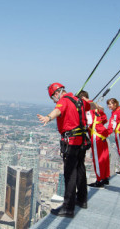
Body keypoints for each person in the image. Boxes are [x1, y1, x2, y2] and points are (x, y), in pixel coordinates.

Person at [37, 83, 95, 217]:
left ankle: (68, 208)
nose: (53, 100)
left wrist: (48, 117)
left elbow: (57, 111)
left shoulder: (63, 101)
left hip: (71, 142)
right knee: (80, 168)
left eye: (52, 97)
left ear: (56, 93)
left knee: (70, 174)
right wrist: (96, 105)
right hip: (82, 140)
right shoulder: (78, 100)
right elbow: (92, 106)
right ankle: (82, 199)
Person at [77, 91, 110, 188]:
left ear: (82, 98)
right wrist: (99, 125)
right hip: (102, 133)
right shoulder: (97, 106)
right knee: (104, 157)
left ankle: (99, 180)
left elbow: (89, 122)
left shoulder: (88, 107)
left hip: (96, 134)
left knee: (97, 158)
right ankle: (105, 178)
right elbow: (104, 119)